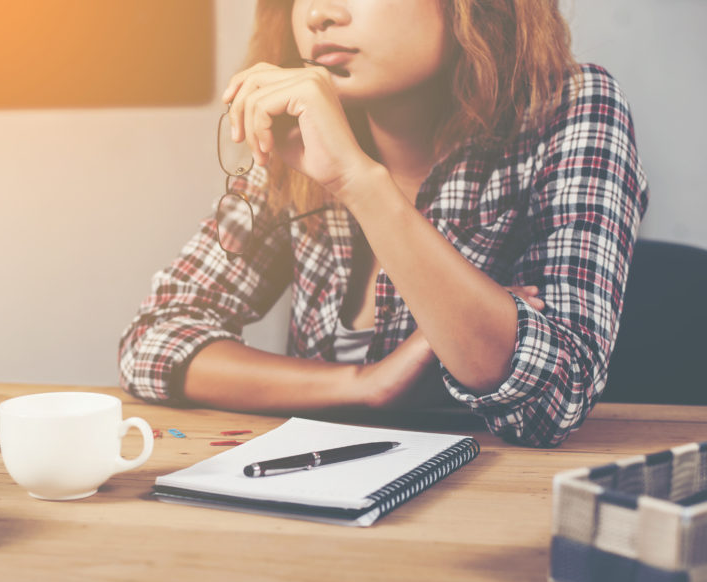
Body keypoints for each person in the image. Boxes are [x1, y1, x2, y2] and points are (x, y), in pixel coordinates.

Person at [118, 0, 648, 448]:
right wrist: (362, 383)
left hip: (489, 507)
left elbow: (553, 399)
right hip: (317, 496)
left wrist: (360, 183)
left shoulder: (573, 107)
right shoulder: (299, 135)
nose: (320, 15)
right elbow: (153, 340)